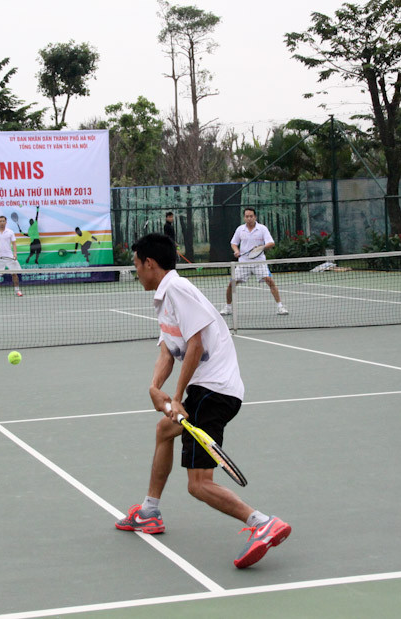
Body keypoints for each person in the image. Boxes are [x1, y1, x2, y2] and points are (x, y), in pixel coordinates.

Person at [115, 233, 291, 569]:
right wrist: (154, 387)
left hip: (214, 391)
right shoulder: (164, 298)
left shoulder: (177, 289)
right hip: (207, 389)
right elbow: (169, 351)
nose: (135, 271)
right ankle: (150, 511)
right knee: (164, 431)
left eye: (136, 265)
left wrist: (176, 397)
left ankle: (261, 522)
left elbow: (195, 344)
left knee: (198, 485)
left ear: (149, 263)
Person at [220, 208, 287, 316]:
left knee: (270, 281)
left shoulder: (262, 229)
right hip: (243, 263)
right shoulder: (240, 229)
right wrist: (236, 251)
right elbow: (234, 243)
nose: (249, 218)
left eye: (251, 216)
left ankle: (280, 307)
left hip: (259, 262)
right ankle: (228, 307)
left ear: (255, 217)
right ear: (244, 218)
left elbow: (271, 243)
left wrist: (261, 247)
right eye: (247, 216)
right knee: (231, 284)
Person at [0, 215, 23, 298]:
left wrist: (15, 254)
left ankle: (17, 290)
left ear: (6, 222)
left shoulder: (10, 232)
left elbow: (14, 243)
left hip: (9, 257)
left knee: (14, 274)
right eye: (0, 221)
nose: (2, 223)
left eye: (3, 221)